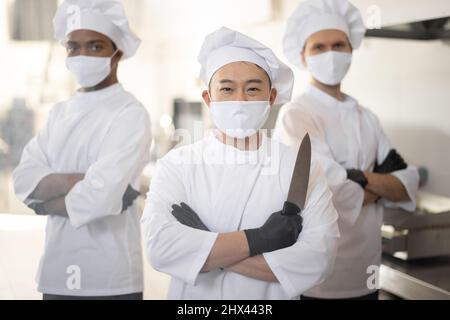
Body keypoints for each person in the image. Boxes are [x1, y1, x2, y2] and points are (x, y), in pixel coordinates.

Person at [141, 27, 340, 300]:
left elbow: (319, 258)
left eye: (253, 89)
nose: (240, 101)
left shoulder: (299, 168)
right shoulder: (176, 165)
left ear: (271, 98)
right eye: (226, 89)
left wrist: (204, 246)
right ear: (208, 99)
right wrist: (260, 240)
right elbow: (159, 247)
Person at [275, 0, 419, 300]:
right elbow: (326, 189)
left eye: (339, 44)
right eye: (319, 47)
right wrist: (379, 183)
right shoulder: (297, 114)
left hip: (366, 272)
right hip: (317, 280)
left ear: (351, 50)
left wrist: (356, 177)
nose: (331, 54)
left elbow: (407, 182)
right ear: (303, 55)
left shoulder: (366, 117)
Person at [12, 0, 152, 300]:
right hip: (57, 271)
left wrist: (46, 202)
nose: (82, 55)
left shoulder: (130, 113)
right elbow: (23, 180)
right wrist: (79, 180)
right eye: (73, 47)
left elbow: (98, 198)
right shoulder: (59, 113)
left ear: (118, 52)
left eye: (95, 46)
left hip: (111, 276)